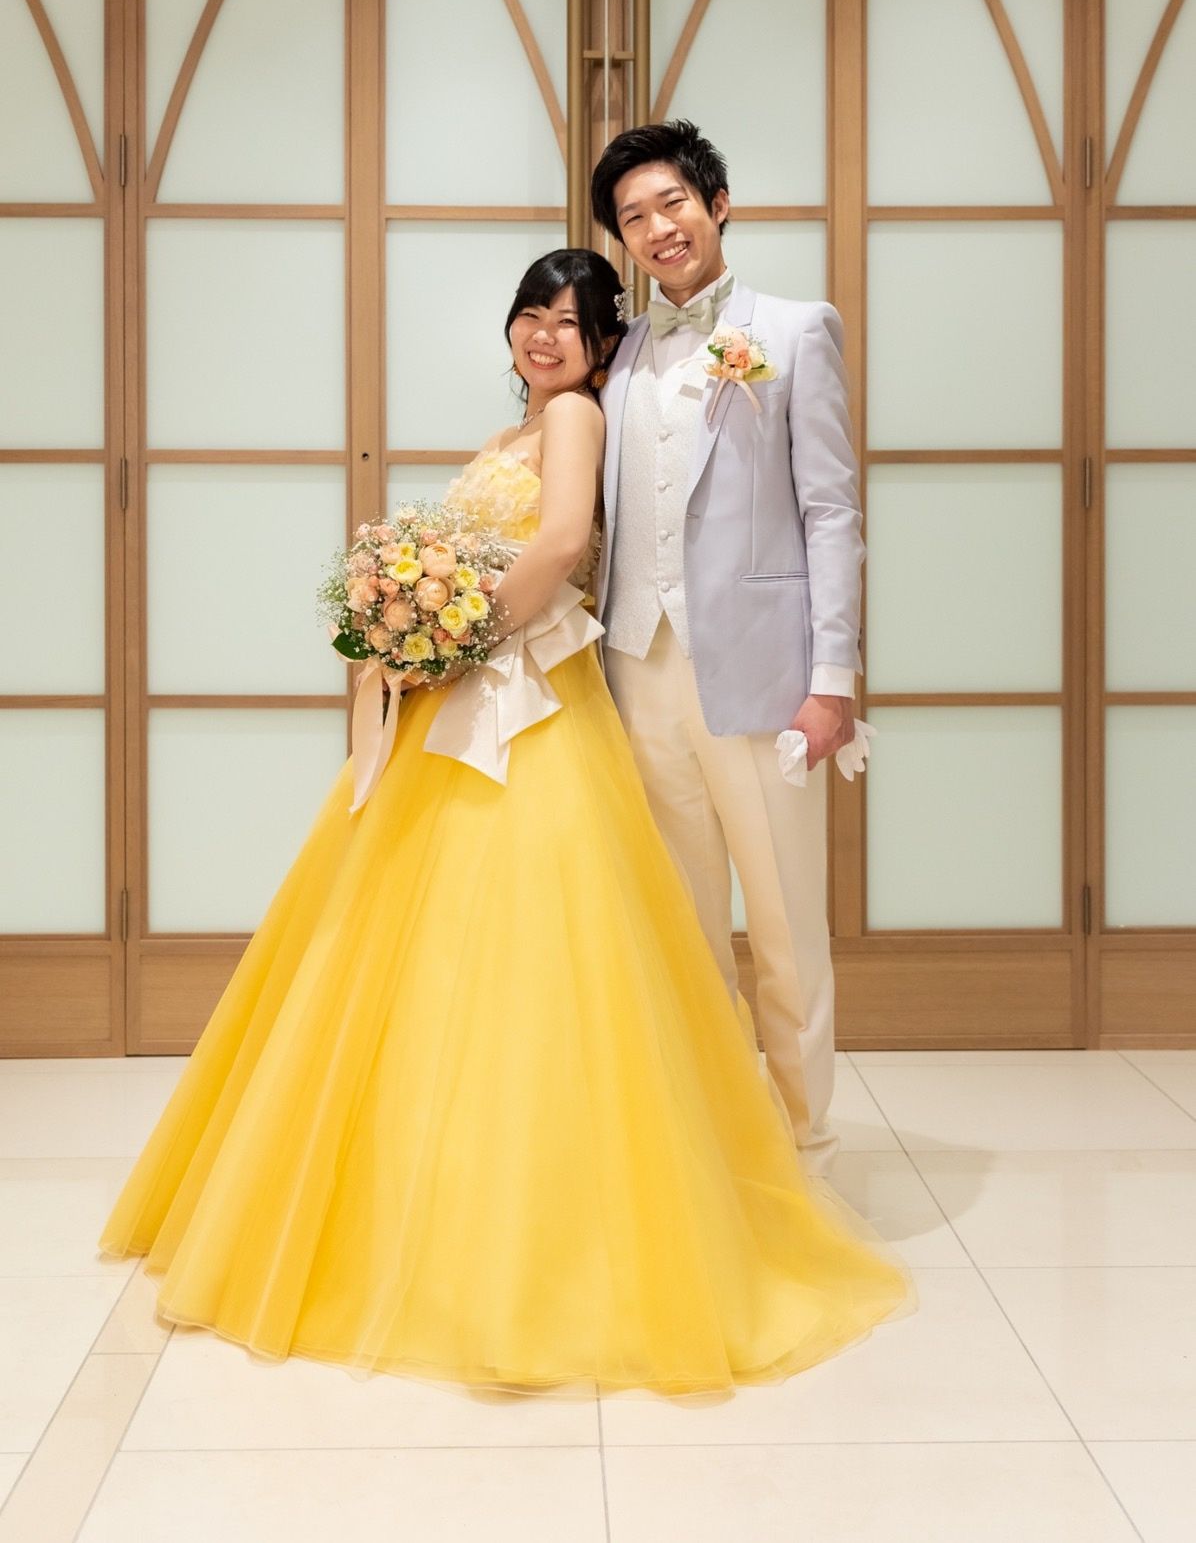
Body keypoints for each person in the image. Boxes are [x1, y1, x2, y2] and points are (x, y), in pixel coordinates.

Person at [97, 248, 913, 1395]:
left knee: (542, 954)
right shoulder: (512, 431)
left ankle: (623, 1197)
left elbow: (563, 543)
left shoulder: (575, 417)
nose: (544, 334)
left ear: (601, 345)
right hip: (477, 693)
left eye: (570, 322)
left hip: (531, 699)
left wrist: (452, 634)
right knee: (445, 952)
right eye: (532, 313)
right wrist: (412, 622)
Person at [592, 120, 862, 1177]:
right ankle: (718, 1155)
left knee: (787, 926)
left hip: (763, 676)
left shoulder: (793, 330)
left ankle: (805, 1149)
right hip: (637, 669)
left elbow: (830, 511)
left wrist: (831, 679)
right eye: (633, 217)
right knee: (684, 926)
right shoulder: (619, 355)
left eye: (671, 203)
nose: (657, 228)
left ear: (716, 204)